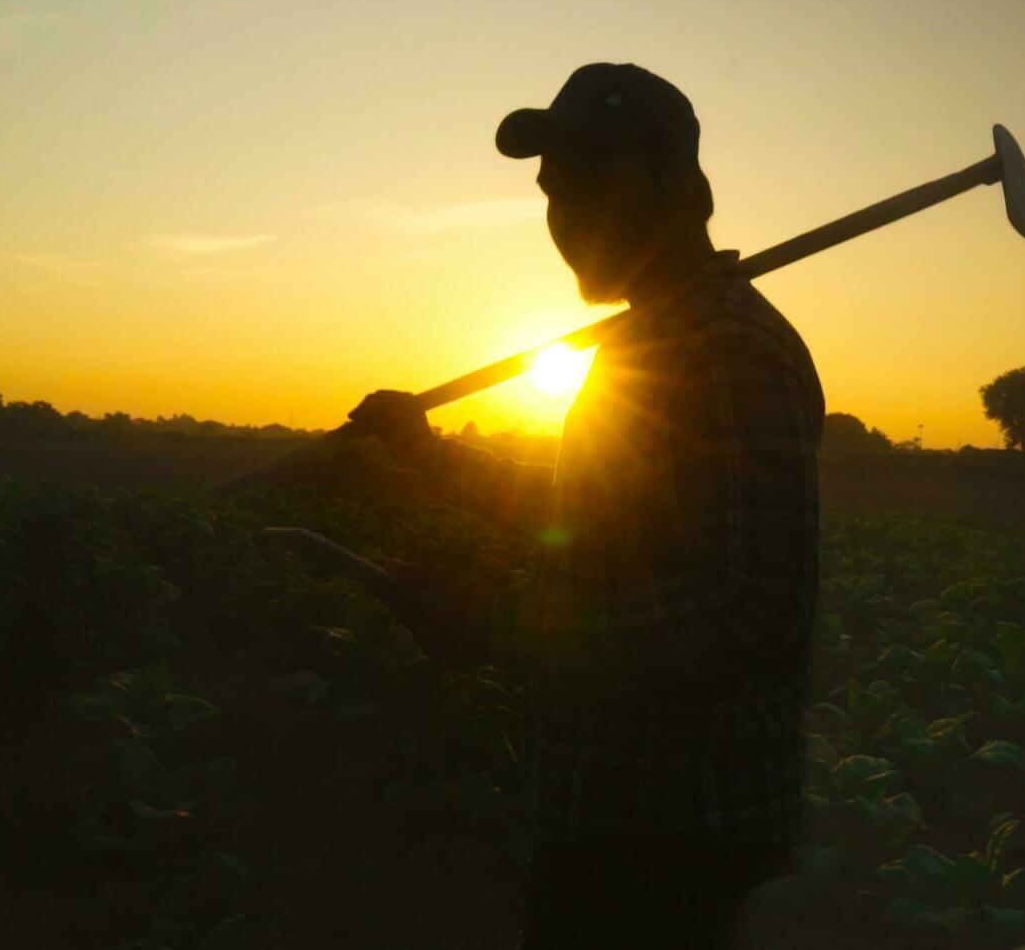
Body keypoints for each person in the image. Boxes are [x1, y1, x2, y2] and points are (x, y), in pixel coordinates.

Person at [349, 62, 825, 949]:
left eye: (581, 181)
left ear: (660, 183)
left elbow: (750, 603)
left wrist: (497, 624)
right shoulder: (655, 339)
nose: (559, 217)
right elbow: (592, 515)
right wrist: (426, 455)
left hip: (671, 824)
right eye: (548, 189)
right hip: (615, 803)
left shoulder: (723, 347)